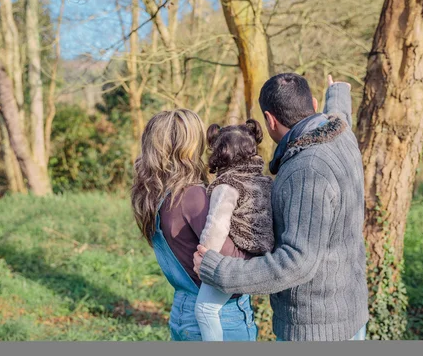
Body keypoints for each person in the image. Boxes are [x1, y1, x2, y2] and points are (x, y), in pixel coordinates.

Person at [194, 74, 369, 341]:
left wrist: (219, 271)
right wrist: (338, 91)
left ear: (270, 119)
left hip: (316, 330)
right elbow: (340, 114)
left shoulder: (307, 168)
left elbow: (296, 263)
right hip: (351, 313)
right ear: (311, 103)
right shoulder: (341, 133)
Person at [131, 109, 257, 341]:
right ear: (189, 146)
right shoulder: (191, 195)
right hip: (219, 316)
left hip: (184, 307)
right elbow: (232, 261)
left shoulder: (156, 196)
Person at [194, 119, 274, 341]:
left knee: (205, 310)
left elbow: (217, 225)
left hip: (237, 259)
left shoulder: (227, 186)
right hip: (262, 258)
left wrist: (204, 255)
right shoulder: (264, 181)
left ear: (220, 153)